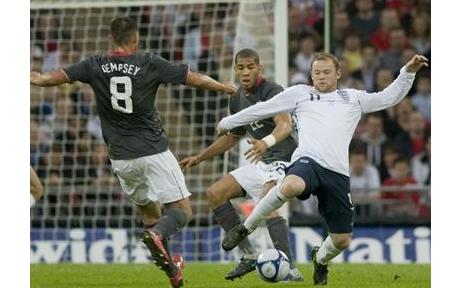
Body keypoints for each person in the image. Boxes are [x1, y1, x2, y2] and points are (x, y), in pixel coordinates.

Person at [30, 16, 236, 288]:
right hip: (153, 152)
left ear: (111, 38)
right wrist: (225, 87)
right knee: (183, 211)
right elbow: (193, 79)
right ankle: (159, 237)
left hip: (121, 160)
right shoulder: (148, 62)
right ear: (135, 39)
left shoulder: (94, 64)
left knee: (150, 215)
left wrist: (37, 77)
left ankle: (172, 268)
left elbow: (55, 78)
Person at [216, 52, 428, 285]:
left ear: (338, 74)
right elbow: (263, 108)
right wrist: (229, 121)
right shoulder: (300, 94)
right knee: (291, 185)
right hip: (308, 161)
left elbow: (388, 97)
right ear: (311, 75)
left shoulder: (352, 97)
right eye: (316, 72)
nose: (321, 77)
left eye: (326, 72)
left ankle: (321, 260)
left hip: (336, 173)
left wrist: (408, 72)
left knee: (341, 241)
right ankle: (245, 228)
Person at [180, 48, 303, 281]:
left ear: (259, 68)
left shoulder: (272, 91)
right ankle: (248, 256)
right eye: (240, 68)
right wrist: (199, 157)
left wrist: (266, 143)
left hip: (285, 159)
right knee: (215, 193)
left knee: (268, 198)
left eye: (250, 67)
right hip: (261, 162)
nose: (245, 72)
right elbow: (231, 137)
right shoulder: (236, 98)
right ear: (235, 70)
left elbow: (285, 125)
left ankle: (291, 269)